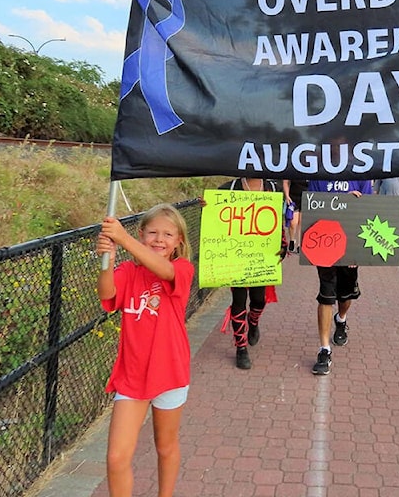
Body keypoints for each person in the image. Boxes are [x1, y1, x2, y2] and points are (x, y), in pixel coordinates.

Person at [96, 203, 195, 497]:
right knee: (116, 458)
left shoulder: (181, 269)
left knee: (165, 446)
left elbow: (164, 270)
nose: (159, 240)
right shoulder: (129, 270)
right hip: (133, 375)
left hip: (170, 372)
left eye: (167, 234)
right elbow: (106, 293)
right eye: (152, 232)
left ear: (179, 241)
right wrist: (108, 260)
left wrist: (123, 239)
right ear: (142, 235)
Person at [306, 178, 373, 375]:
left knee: (345, 296)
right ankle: (324, 350)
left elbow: (367, 210)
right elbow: (313, 205)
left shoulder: (361, 172)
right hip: (325, 242)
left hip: (350, 246)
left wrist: (359, 251)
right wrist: (341, 200)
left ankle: (341, 319)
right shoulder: (319, 172)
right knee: (326, 295)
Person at [217, 176, 282, 369]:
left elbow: (278, 220)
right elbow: (216, 218)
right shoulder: (228, 189)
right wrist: (208, 206)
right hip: (236, 255)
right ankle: (241, 347)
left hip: (262, 256)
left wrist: (282, 244)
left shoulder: (272, 187)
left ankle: (253, 323)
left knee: (259, 299)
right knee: (238, 301)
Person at [282, 179, 309, 252]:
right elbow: (285, 181)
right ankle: (292, 239)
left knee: (302, 222)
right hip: (293, 197)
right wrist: (287, 196)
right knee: (293, 222)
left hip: (307, 196)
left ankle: (300, 244)